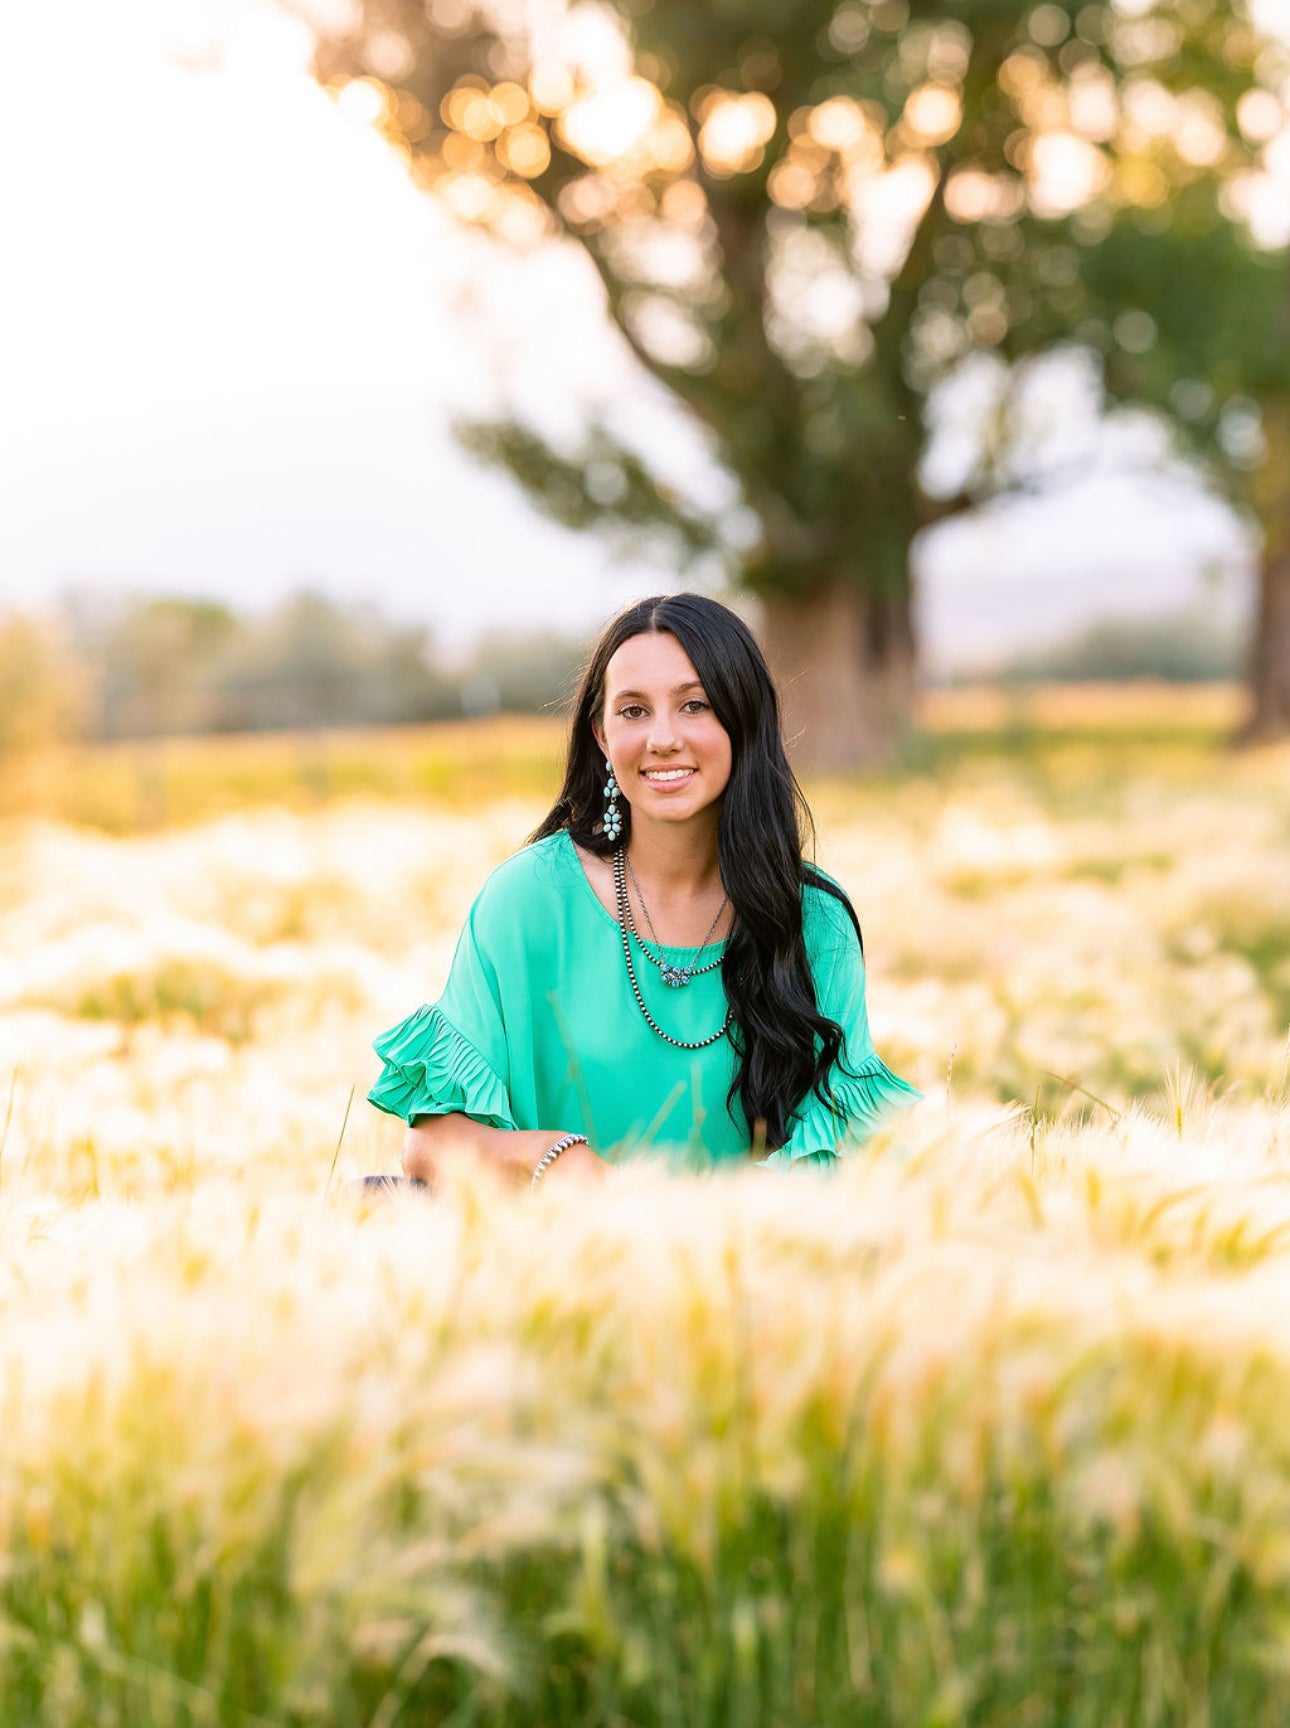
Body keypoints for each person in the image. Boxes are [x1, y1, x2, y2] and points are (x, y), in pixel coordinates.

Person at [367, 593, 920, 1192]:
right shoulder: (527, 902)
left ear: (743, 721)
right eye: (632, 711)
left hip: (752, 1272)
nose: (662, 738)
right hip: (557, 1268)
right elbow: (430, 1142)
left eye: (695, 705)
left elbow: (851, 1152)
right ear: (602, 737)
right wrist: (560, 1161)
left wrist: (706, 1232)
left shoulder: (812, 920)